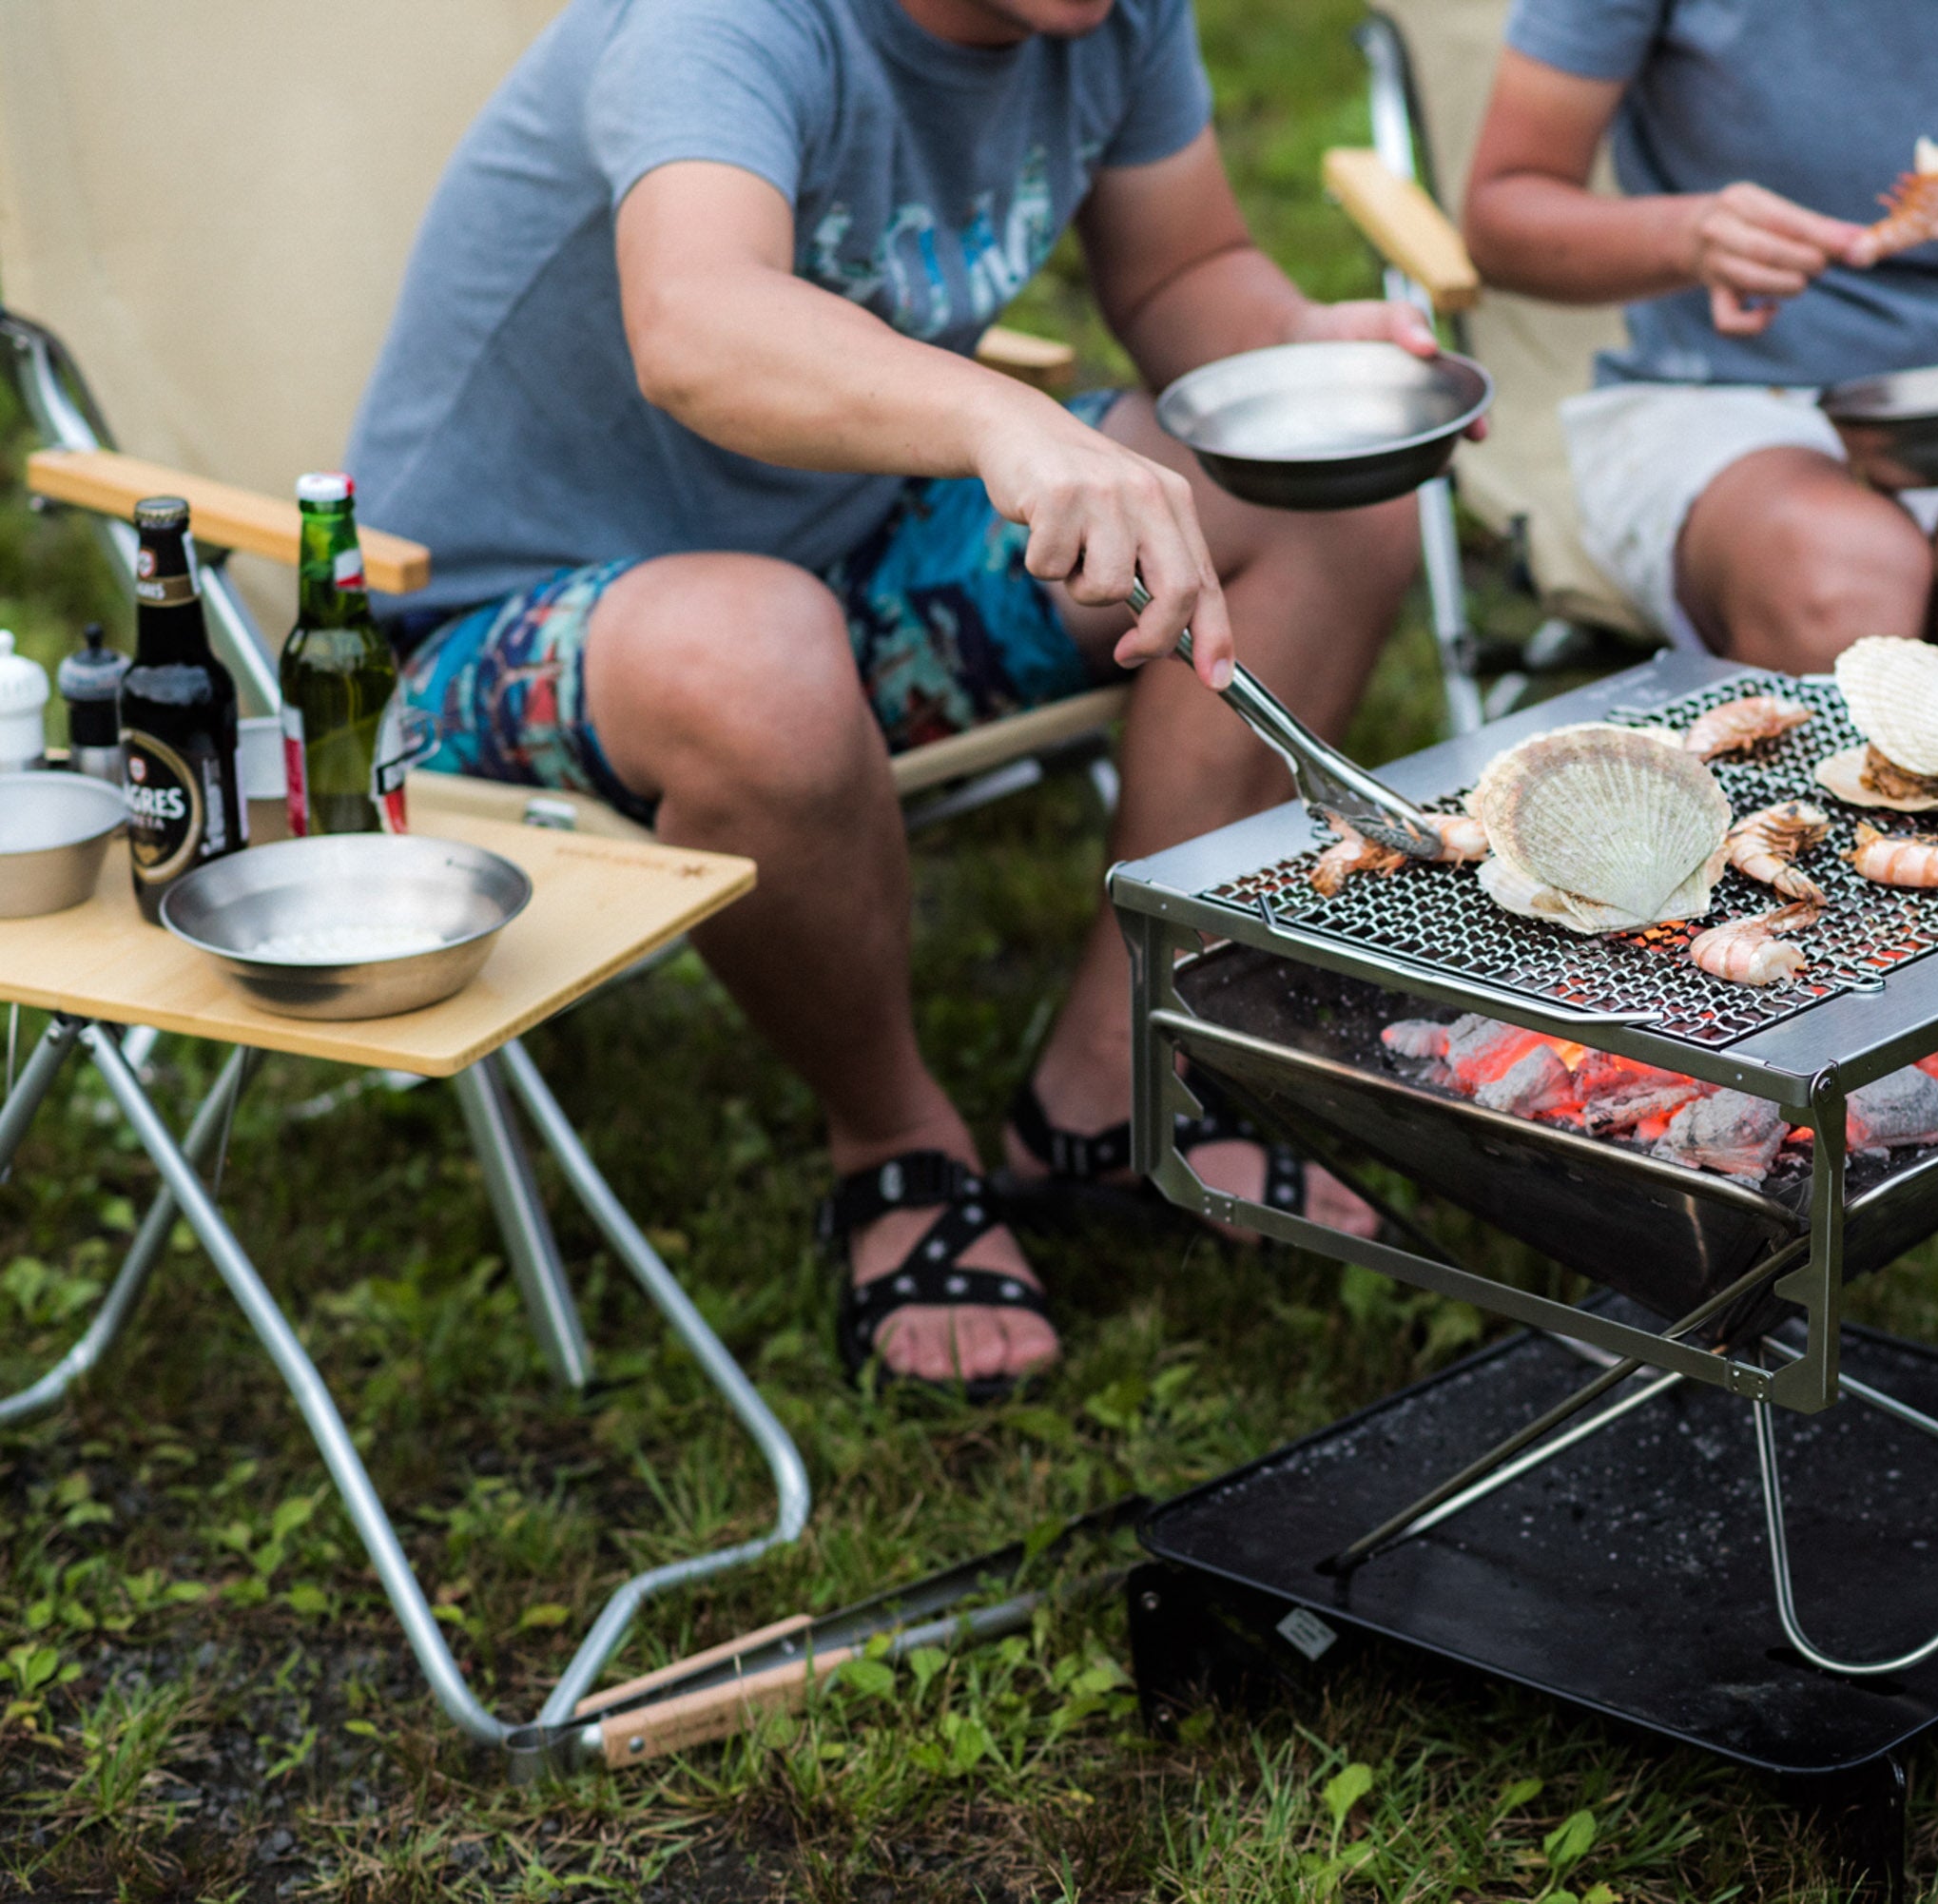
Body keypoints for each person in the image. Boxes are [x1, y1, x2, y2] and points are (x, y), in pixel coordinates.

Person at [350, 0, 1427, 1400]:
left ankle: (1117, 1080)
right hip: (505, 612)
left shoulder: (1111, 11)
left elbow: (1183, 271)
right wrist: (1002, 419)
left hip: (845, 542)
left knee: (1323, 511)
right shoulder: (730, 23)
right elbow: (694, 322)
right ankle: (893, 1138)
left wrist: (1297, 347)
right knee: (758, 654)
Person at [1458, 0, 1938, 732]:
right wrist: (1688, 237)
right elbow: (1503, 212)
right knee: (1835, 589)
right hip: (1730, 388)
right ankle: (1819, 886)